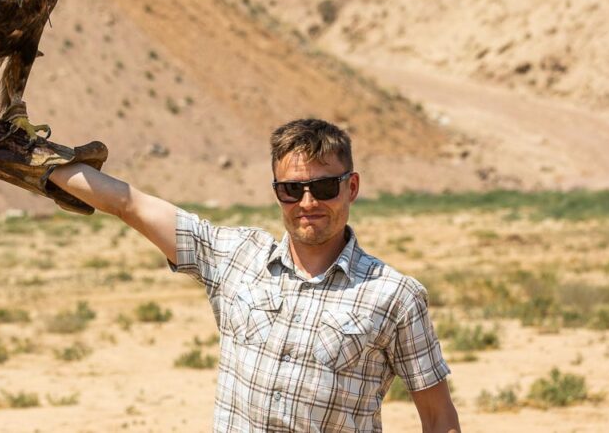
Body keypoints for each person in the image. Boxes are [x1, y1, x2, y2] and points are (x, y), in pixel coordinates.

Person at [47, 118, 460, 433]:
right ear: (277, 191)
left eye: (325, 187)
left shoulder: (395, 296)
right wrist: (35, 163)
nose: (308, 202)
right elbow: (129, 203)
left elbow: (439, 417)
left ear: (351, 187)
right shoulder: (235, 257)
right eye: (292, 189)